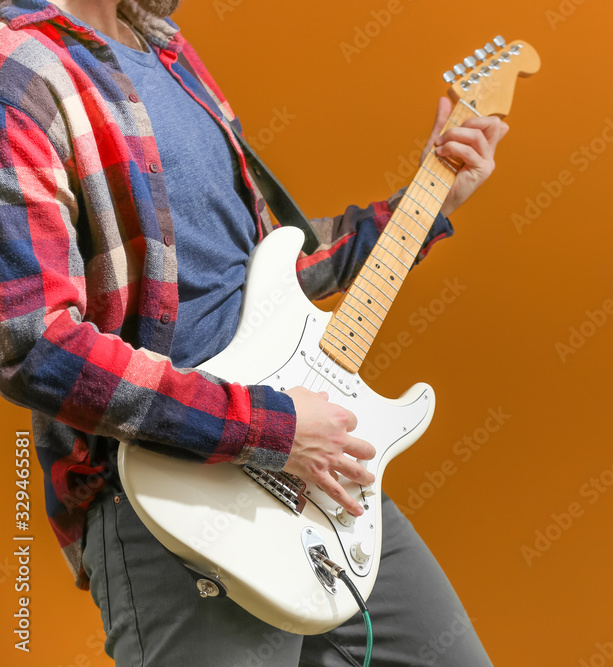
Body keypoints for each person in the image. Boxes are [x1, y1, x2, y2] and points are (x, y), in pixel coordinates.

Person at [0, 0, 507, 664]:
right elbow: (32, 343)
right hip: (172, 502)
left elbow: (270, 270)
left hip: (314, 484)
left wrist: (426, 200)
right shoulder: (19, 72)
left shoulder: (169, 54)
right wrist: (275, 429)